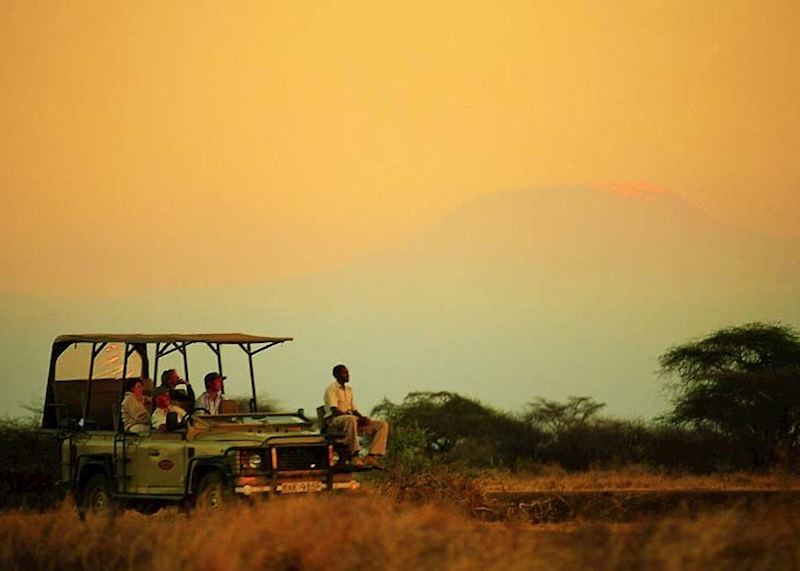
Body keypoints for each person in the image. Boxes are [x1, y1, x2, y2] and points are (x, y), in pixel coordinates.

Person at [323, 364, 389, 468]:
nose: (348, 375)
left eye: (347, 373)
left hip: (351, 420)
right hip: (335, 420)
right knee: (351, 419)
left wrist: (362, 418)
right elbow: (334, 410)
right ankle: (354, 455)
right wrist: (354, 417)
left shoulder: (349, 390)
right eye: (344, 373)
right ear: (336, 375)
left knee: (382, 425)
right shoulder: (331, 389)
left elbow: (354, 410)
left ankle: (372, 456)